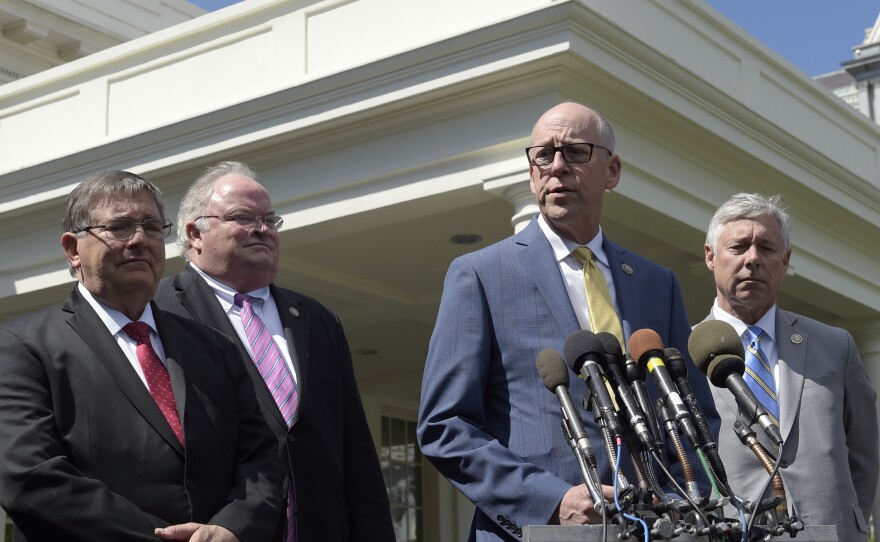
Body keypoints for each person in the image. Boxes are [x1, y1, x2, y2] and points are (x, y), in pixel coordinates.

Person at [416, 102, 720, 541]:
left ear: (612, 171)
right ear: (531, 172)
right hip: (539, 531)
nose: (557, 167)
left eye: (576, 152)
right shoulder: (480, 274)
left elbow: (695, 413)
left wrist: (684, 498)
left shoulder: (658, 283)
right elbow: (445, 427)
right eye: (543, 155)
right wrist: (551, 502)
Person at [0, 171, 283, 541]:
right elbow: (31, 477)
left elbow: (261, 460)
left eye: (151, 226)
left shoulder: (213, 348)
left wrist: (232, 527)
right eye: (119, 227)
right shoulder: (23, 346)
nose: (139, 240)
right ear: (72, 249)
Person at [154, 161, 395, 542]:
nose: (261, 230)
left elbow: (354, 450)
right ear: (194, 233)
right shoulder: (158, 311)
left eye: (270, 220)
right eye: (242, 217)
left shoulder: (316, 318)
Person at [701, 192, 878, 540]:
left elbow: (865, 456)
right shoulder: (681, 351)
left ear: (785, 260)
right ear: (711, 257)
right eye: (739, 247)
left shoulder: (834, 345)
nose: (753, 259)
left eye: (766, 248)